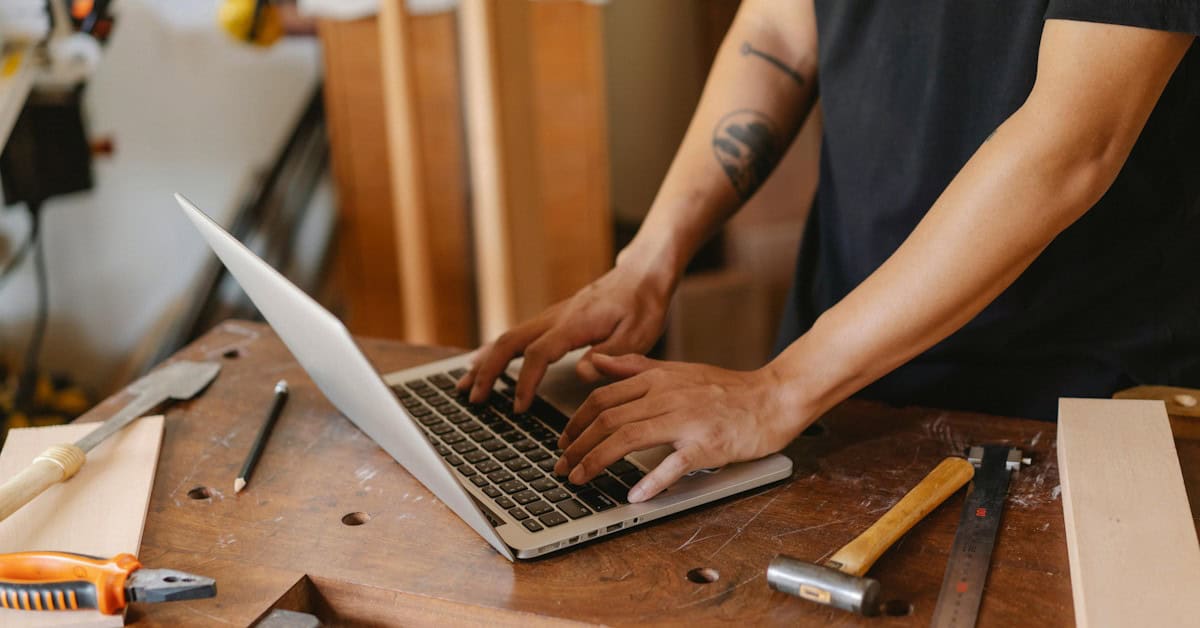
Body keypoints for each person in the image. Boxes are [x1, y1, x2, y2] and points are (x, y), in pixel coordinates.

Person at [458, 1, 1200, 504]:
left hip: (1082, 396)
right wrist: (648, 261)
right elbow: (783, 30)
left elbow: (1074, 141)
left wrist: (780, 387)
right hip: (842, 377)